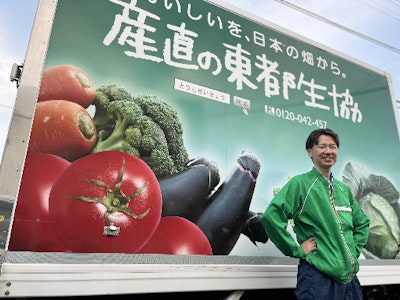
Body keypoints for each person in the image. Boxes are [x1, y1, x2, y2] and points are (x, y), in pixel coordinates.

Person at [261, 128, 370, 300]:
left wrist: (352, 251)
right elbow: (271, 217)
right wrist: (296, 250)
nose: (328, 151)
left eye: (333, 147)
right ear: (310, 152)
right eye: (322, 146)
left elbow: (362, 223)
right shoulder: (301, 184)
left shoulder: (343, 189)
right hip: (317, 278)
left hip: (349, 280)